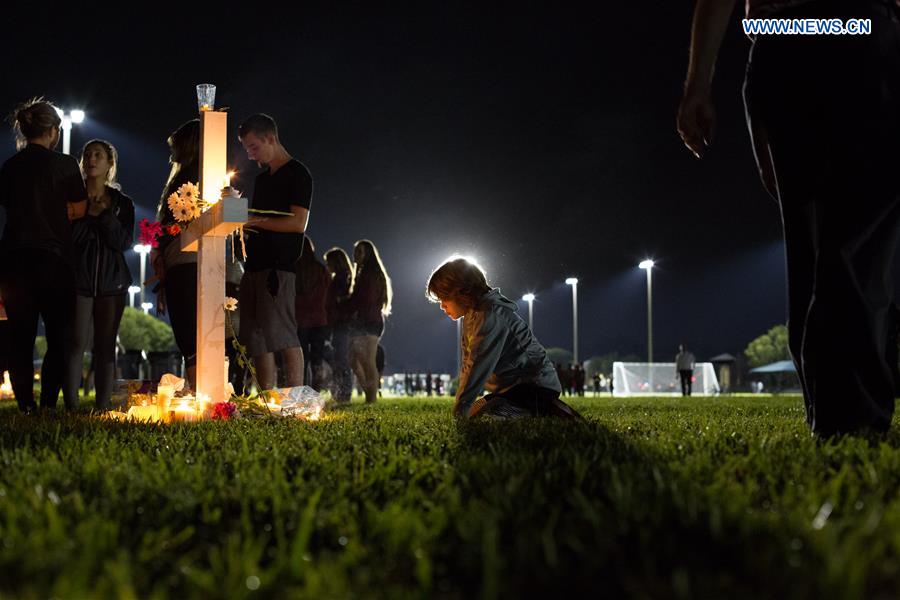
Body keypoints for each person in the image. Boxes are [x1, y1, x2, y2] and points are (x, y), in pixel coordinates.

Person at [677, 0, 900, 435]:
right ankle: (848, 418)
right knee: (857, 239)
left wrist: (698, 83)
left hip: (781, 37)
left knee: (813, 245)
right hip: (855, 30)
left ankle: (830, 407)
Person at [0, 99, 87, 412]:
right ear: (53, 132)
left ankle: (26, 404)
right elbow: (79, 207)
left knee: (20, 336)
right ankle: (49, 402)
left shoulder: (10, 166)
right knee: (59, 336)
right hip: (54, 259)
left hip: (14, 261)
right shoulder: (64, 165)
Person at [426, 256, 582, 420]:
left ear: (462, 291)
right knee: (477, 413)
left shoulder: (490, 315)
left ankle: (547, 410)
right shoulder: (472, 316)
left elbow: (476, 365)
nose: (442, 306)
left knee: (489, 420)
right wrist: (462, 407)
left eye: (444, 298)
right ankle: (535, 409)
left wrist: (461, 409)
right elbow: (467, 364)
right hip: (509, 391)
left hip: (534, 387)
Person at [238, 113, 311, 391]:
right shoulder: (261, 180)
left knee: (281, 333)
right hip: (254, 265)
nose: (251, 154)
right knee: (255, 336)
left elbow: (297, 223)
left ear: (271, 138)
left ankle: (295, 397)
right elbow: (256, 219)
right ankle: (267, 396)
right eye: (247, 149)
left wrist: (254, 221)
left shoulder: (298, 173)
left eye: (254, 147)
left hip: (278, 267)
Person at [64, 140, 134, 410]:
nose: (92, 159)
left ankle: (103, 406)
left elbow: (123, 241)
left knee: (105, 348)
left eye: (99, 155)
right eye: (88, 155)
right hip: (78, 282)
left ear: (109, 164)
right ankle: (71, 406)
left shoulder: (122, 203)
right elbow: (69, 238)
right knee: (75, 344)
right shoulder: (73, 200)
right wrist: (87, 215)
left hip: (112, 283)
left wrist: (104, 214)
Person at [151, 119, 200, 390]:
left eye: (175, 148)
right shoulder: (189, 178)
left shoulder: (188, 181)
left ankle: (197, 389)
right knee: (191, 330)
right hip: (182, 261)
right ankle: (199, 388)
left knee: (187, 329)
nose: (171, 155)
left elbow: (166, 226)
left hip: (185, 261)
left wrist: (157, 248)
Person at [348, 239, 392, 404]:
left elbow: (364, 299)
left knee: (367, 360)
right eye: (355, 251)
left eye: (359, 251)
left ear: (368, 255)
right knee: (354, 358)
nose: (355, 255)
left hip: (369, 321)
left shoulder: (370, 275)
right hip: (365, 321)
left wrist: (347, 304)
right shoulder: (364, 273)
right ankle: (369, 392)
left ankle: (371, 399)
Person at [295, 236, 329, 390]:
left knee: (302, 359)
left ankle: (301, 389)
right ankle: (317, 390)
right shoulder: (321, 269)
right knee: (317, 360)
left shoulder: (295, 268)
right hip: (319, 320)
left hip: (300, 319)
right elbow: (328, 293)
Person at [324, 247, 354, 402]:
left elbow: (339, 302)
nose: (327, 266)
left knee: (341, 359)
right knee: (341, 359)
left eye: (328, 262)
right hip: (340, 323)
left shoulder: (341, 279)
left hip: (340, 324)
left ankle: (343, 393)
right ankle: (342, 392)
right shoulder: (344, 277)